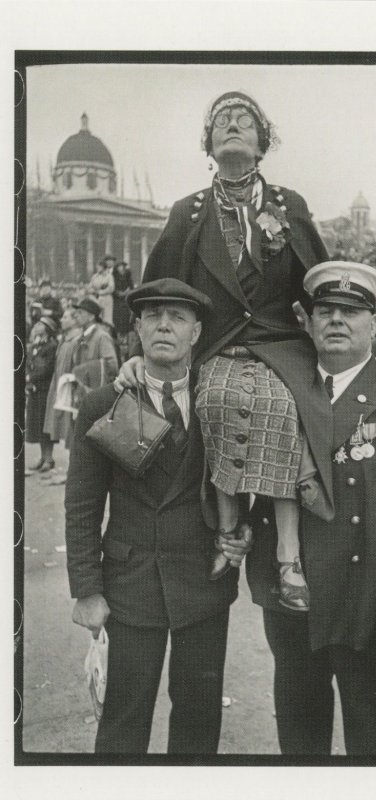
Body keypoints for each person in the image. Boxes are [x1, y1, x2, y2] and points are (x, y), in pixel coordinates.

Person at [120, 90, 329, 610]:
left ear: (263, 143)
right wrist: (139, 355)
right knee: (211, 403)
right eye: (221, 123)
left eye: (244, 121)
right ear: (209, 145)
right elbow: (156, 292)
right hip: (215, 347)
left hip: (282, 346)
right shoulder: (187, 213)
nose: (232, 126)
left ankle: (289, 556)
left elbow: (321, 290)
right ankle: (228, 534)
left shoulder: (289, 205)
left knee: (285, 408)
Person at [246, 261, 376, 756]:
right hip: (292, 598)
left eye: (352, 312)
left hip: (368, 602)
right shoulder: (279, 390)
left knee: (371, 735)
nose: (337, 320)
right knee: (298, 735)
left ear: (375, 325)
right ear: (310, 321)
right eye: (326, 310)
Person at [65, 278, 252, 754]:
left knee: (197, 717)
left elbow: (246, 477)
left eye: (178, 317)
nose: (164, 325)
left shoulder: (223, 400)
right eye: (153, 316)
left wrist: (242, 529)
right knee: (124, 721)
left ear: (196, 332)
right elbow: (82, 506)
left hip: (203, 582)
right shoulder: (104, 404)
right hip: (130, 583)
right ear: (139, 329)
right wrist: (87, 590)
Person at [43, 307, 82, 454]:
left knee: (72, 429)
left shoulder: (78, 340)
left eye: (66, 317)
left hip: (69, 387)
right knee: (62, 427)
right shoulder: (64, 340)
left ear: (75, 320)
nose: (62, 320)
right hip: (58, 384)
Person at [71, 297, 119, 410]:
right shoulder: (80, 338)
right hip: (81, 396)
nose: (75, 315)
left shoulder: (102, 337)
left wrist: (86, 370)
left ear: (91, 317)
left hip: (96, 398)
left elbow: (112, 366)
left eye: (80, 312)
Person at [25, 317, 59, 472]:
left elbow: (47, 368)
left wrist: (30, 377)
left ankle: (49, 458)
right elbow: (29, 364)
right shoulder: (35, 344)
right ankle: (42, 457)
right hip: (35, 389)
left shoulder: (51, 346)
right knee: (37, 424)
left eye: (40, 324)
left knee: (45, 425)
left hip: (45, 390)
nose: (36, 326)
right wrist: (28, 378)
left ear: (47, 328)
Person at [112, 260, 134, 360]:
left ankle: (125, 346)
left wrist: (126, 293)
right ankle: (119, 342)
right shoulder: (114, 277)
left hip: (125, 303)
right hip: (117, 303)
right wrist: (121, 293)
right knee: (118, 322)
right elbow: (114, 290)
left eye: (123, 266)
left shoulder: (128, 276)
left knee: (125, 321)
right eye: (119, 266)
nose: (121, 268)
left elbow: (131, 288)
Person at [89, 256, 115, 326]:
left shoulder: (109, 276)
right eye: (97, 267)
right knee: (98, 317)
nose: (97, 268)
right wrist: (93, 291)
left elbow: (111, 288)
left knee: (107, 319)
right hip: (96, 299)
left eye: (99, 267)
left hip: (107, 299)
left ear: (103, 267)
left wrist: (100, 292)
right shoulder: (95, 276)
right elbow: (90, 287)